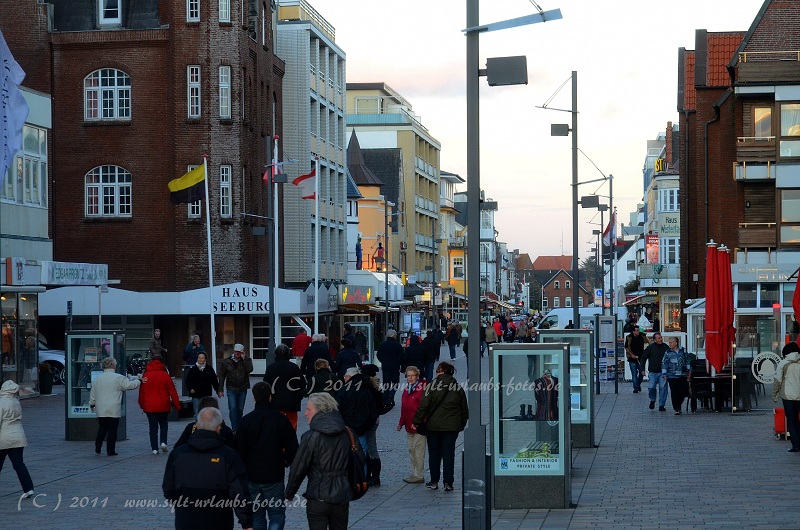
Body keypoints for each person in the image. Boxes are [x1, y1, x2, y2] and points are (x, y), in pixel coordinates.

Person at [163, 407, 253, 530]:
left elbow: (168, 488)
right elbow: (239, 492)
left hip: (186, 520)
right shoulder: (228, 455)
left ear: (197, 426)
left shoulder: (178, 454)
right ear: (218, 428)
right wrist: (246, 522)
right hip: (219, 520)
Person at [285, 393, 360, 529]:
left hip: (317, 496)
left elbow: (298, 468)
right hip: (341, 496)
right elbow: (357, 461)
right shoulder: (348, 433)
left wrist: (290, 492)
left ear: (320, 410)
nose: (306, 413)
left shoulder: (310, 436)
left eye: (309, 409)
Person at [236, 382, 299, 530]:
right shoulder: (280, 419)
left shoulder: (246, 421)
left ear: (254, 398)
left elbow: (238, 450)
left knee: (256, 516)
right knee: (276, 514)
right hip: (274, 474)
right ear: (270, 397)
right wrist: (285, 461)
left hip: (252, 476)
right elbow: (293, 448)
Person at [413, 361, 468, 492]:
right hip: (452, 427)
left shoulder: (432, 386)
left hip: (433, 427)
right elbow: (464, 409)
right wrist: (461, 424)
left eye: (438, 371)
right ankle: (448, 482)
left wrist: (417, 420)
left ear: (442, 372)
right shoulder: (457, 387)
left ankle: (434, 481)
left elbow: (424, 406)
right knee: (449, 454)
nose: (436, 373)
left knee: (434, 454)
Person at [89, 356, 141, 456]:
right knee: (113, 429)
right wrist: (139, 381)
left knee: (103, 427)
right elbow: (129, 386)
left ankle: (98, 444)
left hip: (101, 407)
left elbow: (93, 393)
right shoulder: (118, 377)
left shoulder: (98, 378)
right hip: (113, 407)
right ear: (112, 365)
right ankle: (110, 450)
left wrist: (92, 403)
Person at [138, 355, 181, 454]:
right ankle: (163, 442)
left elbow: (142, 392)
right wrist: (177, 405)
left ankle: (154, 448)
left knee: (152, 427)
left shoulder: (146, 375)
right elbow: (172, 392)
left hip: (149, 406)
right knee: (163, 424)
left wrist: (141, 404)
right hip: (163, 404)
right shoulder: (165, 375)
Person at [0, 380, 34, 498]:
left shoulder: (1, 402)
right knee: (19, 464)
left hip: (4, 438)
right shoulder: (16, 401)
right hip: (18, 437)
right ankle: (28, 488)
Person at [336, 367, 378, 461]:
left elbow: (337, 408)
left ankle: (356, 474)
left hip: (348, 426)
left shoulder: (344, 390)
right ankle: (365, 474)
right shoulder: (367, 387)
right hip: (364, 426)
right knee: (364, 450)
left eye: (345, 376)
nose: (344, 378)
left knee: (351, 452)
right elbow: (373, 408)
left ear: (350, 377)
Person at [262, 344, 305, 430]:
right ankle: (291, 438)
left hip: (275, 400)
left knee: (276, 422)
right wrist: (299, 396)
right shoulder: (294, 367)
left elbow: (266, 383)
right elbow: (302, 383)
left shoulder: (271, 368)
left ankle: (278, 438)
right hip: (292, 399)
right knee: (292, 421)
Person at [397, 365, 427, 484]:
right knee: (411, 450)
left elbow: (424, 408)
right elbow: (404, 408)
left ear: (417, 376)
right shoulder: (406, 389)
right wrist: (401, 423)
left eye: (412, 375)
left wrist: (419, 422)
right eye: (408, 376)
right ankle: (414, 473)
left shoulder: (422, 389)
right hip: (409, 425)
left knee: (418, 450)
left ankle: (419, 475)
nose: (410, 378)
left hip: (419, 425)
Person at [218, 343, 254, 432]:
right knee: (233, 408)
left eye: (239, 352)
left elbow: (250, 369)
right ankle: (235, 428)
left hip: (243, 388)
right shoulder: (227, 361)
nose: (237, 353)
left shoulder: (247, 360)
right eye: (236, 351)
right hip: (231, 388)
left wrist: (244, 359)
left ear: (242, 352)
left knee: (240, 409)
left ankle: (238, 426)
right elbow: (222, 375)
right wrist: (220, 389)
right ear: (233, 351)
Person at [773, 342, 800, 452]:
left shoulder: (783, 363)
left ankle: (796, 445)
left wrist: (774, 394)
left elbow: (778, 380)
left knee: (791, 420)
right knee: (797, 420)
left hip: (788, 396)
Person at [640, 332, 669, 411]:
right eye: (659, 338)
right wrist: (642, 369)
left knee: (663, 388)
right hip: (652, 372)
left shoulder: (665, 347)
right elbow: (643, 357)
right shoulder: (650, 347)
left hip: (662, 372)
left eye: (661, 338)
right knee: (651, 387)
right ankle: (652, 400)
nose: (661, 339)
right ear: (654, 340)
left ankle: (661, 405)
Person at [185, 352, 221, 417]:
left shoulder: (209, 369)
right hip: (196, 394)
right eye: (199, 358)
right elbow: (188, 380)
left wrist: (218, 391)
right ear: (197, 359)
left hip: (206, 394)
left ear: (205, 359)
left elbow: (214, 381)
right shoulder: (193, 369)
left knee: (206, 412)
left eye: (202, 358)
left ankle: (205, 426)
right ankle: (198, 426)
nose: (201, 359)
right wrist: (190, 389)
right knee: (197, 412)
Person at [662, 337, 691, 415]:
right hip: (672, 375)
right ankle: (677, 408)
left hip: (682, 374)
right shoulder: (668, 352)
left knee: (683, 391)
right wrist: (664, 373)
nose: (670, 344)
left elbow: (687, 360)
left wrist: (689, 371)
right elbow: (664, 363)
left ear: (676, 343)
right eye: (669, 342)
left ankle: (679, 404)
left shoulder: (683, 350)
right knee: (674, 392)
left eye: (671, 342)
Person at [376, 329, 403, 401]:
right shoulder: (397, 345)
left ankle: (386, 397)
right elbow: (401, 357)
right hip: (395, 367)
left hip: (385, 367)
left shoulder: (382, 344)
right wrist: (400, 363)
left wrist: (383, 361)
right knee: (395, 383)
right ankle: (391, 394)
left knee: (386, 383)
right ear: (394, 336)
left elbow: (378, 355)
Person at [625, 327, 648, 393]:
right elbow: (626, 347)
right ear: (633, 332)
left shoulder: (642, 336)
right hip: (632, 358)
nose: (638, 332)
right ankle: (636, 388)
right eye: (637, 331)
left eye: (638, 330)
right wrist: (631, 355)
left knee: (641, 373)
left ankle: (638, 385)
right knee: (634, 373)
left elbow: (647, 343)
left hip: (641, 358)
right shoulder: (629, 337)